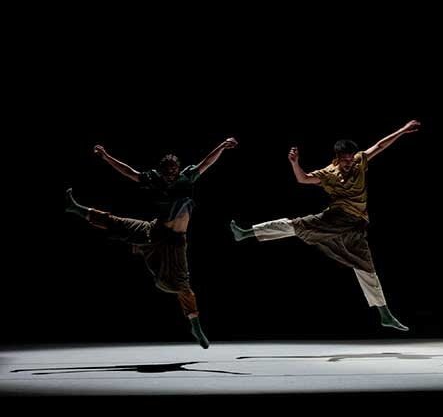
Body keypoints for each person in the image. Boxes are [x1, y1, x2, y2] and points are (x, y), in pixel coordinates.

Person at [230, 120, 420, 331]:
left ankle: (384, 314)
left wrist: (402, 130)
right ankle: (247, 233)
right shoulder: (329, 173)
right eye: (345, 160)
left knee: (366, 266)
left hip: (357, 226)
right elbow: (303, 180)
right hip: (337, 217)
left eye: (351, 158)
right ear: (337, 158)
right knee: (298, 225)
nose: (349, 163)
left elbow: (380, 145)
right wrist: (295, 163)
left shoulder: (360, 161)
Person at [64, 137, 239, 348]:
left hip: (175, 242)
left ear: (178, 169)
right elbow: (130, 172)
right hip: (155, 230)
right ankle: (77, 209)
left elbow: (207, 163)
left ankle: (195, 325)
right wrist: (107, 157)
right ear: (161, 170)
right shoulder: (154, 179)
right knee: (117, 223)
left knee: (183, 285)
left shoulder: (186, 178)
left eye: (174, 169)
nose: (171, 174)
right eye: (167, 170)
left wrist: (221, 146)